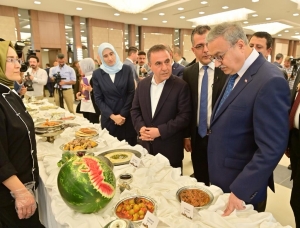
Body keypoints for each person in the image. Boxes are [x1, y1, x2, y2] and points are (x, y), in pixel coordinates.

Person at [206, 22, 290, 215]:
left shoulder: (270, 80)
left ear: (241, 46)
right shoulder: (236, 71)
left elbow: (271, 147)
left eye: (219, 56)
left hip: (241, 189)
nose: (217, 64)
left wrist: (241, 189)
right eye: (214, 58)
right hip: (223, 177)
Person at [0, 40, 44, 227]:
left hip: (26, 184)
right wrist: (19, 192)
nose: (18, 65)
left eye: (17, 59)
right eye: (10, 60)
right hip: (9, 196)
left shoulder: (9, 93)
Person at [131, 44, 191, 169]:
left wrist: (160, 131)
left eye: (167, 61)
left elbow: (184, 117)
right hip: (145, 148)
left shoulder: (181, 86)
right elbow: (135, 110)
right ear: (150, 65)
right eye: (158, 63)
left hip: (169, 151)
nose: (165, 68)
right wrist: (140, 127)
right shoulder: (142, 85)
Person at [182, 25, 228, 185]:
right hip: (197, 137)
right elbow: (187, 107)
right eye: (200, 46)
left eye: (208, 43)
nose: (206, 50)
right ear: (193, 50)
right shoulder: (188, 73)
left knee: (219, 183)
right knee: (200, 180)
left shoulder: (226, 70)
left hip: (221, 138)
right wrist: (187, 135)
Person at [93, 43, 137, 146]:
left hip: (126, 118)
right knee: (110, 152)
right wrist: (113, 116)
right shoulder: (97, 74)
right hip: (109, 118)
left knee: (130, 150)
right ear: (101, 58)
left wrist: (122, 115)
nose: (109, 58)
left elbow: (131, 93)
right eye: (105, 56)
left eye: (111, 54)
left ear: (115, 53)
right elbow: (98, 99)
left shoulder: (126, 69)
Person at [75, 58, 100, 124]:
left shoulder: (94, 77)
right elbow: (85, 91)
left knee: (94, 126)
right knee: (87, 124)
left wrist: (91, 90)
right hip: (85, 105)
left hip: (92, 107)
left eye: (81, 67)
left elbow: (100, 92)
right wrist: (80, 93)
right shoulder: (85, 77)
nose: (79, 69)